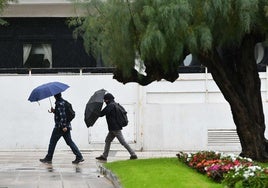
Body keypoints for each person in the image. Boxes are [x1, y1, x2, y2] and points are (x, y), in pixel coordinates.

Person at [40, 93, 84, 164]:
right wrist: (54, 111)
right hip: (66, 126)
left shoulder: (59, 104)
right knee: (69, 142)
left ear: (55, 96)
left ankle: (48, 157)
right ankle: (79, 156)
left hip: (60, 127)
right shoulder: (63, 102)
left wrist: (63, 126)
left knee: (52, 142)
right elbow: (61, 114)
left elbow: (63, 116)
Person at [96, 93, 138, 161]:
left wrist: (96, 110)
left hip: (115, 128)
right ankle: (104, 156)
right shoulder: (115, 104)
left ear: (107, 100)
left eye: (105, 100)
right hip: (113, 128)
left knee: (122, 142)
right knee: (108, 140)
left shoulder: (110, 106)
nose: (104, 101)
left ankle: (133, 154)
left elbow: (101, 114)